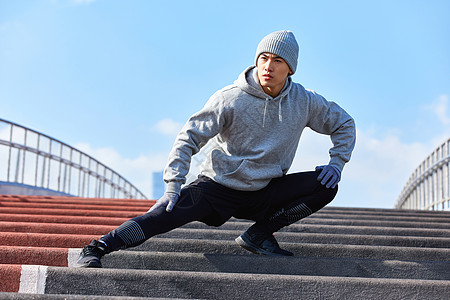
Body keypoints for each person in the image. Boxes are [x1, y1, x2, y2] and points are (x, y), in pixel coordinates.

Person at [75, 30, 356, 268]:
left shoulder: (304, 102)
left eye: (277, 60)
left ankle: (259, 234)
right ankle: (98, 247)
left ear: (290, 68)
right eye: (263, 58)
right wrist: (173, 184)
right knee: (163, 214)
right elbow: (188, 138)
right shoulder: (230, 98)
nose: (268, 66)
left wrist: (336, 163)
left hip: (265, 189)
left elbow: (344, 123)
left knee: (326, 185)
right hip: (217, 186)